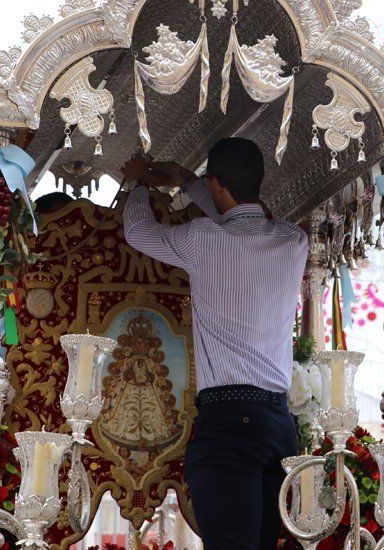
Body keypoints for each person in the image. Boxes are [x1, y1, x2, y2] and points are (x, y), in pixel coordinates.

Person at [121, 138, 308, 549]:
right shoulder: (294, 242)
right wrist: (190, 182)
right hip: (278, 428)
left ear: (218, 184)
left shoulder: (203, 238)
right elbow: (237, 219)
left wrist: (136, 184)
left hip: (228, 428)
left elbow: (137, 232)